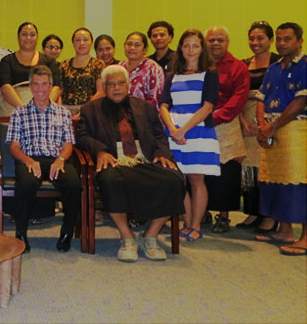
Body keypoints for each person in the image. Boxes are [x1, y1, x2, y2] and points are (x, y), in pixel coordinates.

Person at [76, 65, 185, 262]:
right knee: (110, 180)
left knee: (175, 179)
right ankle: (127, 237)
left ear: (128, 85)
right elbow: (81, 136)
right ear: (104, 86)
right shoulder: (90, 110)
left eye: (120, 83)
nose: (116, 88)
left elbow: (159, 135)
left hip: (144, 159)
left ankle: (150, 236)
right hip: (115, 160)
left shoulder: (146, 108)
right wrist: (100, 150)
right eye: (111, 85)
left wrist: (162, 154)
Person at [5, 65, 82, 253]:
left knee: (74, 184)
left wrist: (61, 160)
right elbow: (14, 147)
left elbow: (68, 145)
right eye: (36, 84)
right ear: (31, 86)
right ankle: (21, 232)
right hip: (29, 158)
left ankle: (66, 231)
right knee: (27, 184)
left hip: (56, 159)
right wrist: (28, 161)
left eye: (44, 84)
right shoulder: (19, 112)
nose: (40, 89)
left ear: (51, 86)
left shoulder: (63, 113)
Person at [159, 29, 220, 243]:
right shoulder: (172, 74)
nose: (190, 50)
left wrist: (184, 130)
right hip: (173, 130)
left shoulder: (210, 73)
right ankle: (185, 222)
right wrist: (173, 129)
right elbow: (164, 104)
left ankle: (195, 226)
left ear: (202, 48)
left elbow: (209, 106)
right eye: (186, 45)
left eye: (195, 45)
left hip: (198, 130)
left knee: (196, 179)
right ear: (180, 48)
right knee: (177, 179)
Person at [255, 22, 306, 255]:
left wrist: (273, 126)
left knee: (299, 182)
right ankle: (285, 230)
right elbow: (260, 98)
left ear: (299, 42)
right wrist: (263, 126)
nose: (282, 43)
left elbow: (300, 101)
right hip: (271, 130)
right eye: (280, 39)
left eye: (288, 39)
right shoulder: (274, 67)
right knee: (276, 180)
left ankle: (305, 237)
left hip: (296, 130)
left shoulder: (305, 66)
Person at [203, 26, 250, 233]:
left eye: (220, 40)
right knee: (201, 169)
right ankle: (202, 210)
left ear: (227, 42)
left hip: (226, 122)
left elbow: (239, 98)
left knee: (226, 171)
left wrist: (216, 117)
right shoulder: (199, 64)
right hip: (200, 122)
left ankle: (223, 216)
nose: (215, 43)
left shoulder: (238, 66)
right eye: (211, 40)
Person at [237, 21, 280, 230]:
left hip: (271, 122)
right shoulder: (244, 64)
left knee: (269, 167)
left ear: (270, 40)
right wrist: (243, 121)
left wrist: (263, 122)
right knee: (249, 169)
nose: (255, 42)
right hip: (246, 121)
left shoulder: (279, 62)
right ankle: (253, 212)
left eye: (260, 38)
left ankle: (270, 215)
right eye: (252, 38)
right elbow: (237, 95)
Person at [0, 22, 62, 116]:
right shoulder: (7, 61)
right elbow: (5, 86)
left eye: (32, 34)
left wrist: (44, 107)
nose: (28, 38)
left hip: (44, 110)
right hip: (14, 109)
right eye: (24, 34)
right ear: (18, 37)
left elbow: (57, 86)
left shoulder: (49, 61)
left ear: (37, 37)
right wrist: (24, 109)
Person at [59, 27, 106, 110]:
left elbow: (101, 92)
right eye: (78, 40)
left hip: (90, 110)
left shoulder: (98, 64)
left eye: (85, 40)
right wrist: (60, 110)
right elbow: (59, 91)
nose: (81, 43)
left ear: (91, 43)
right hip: (66, 110)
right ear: (73, 43)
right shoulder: (63, 65)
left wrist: (84, 110)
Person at [120, 32, 166, 109]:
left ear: (145, 49)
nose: (132, 48)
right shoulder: (119, 67)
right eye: (129, 44)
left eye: (137, 45)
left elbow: (154, 100)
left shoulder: (153, 69)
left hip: (143, 116)